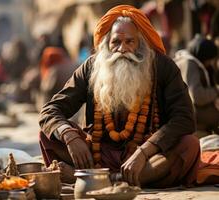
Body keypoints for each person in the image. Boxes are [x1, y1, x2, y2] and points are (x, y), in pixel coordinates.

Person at [39, 5, 200, 188]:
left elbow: (185, 118)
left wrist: (144, 152)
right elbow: (50, 110)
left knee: (189, 144)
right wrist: (70, 136)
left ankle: (95, 180)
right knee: (49, 134)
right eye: (116, 42)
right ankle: (104, 177)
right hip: (98, 155)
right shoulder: (92, 67)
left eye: (130, 42)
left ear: (140, 43)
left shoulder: (163, 66)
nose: (122, 49)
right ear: (106, 43)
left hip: (148, 157)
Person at [174, 35, 219, 134]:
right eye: (209, 59)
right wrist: (216, 91)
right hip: (193, 122)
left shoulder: (190, 62)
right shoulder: (189, 64)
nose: (210, 63)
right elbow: (198, 96)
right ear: (203, 55)